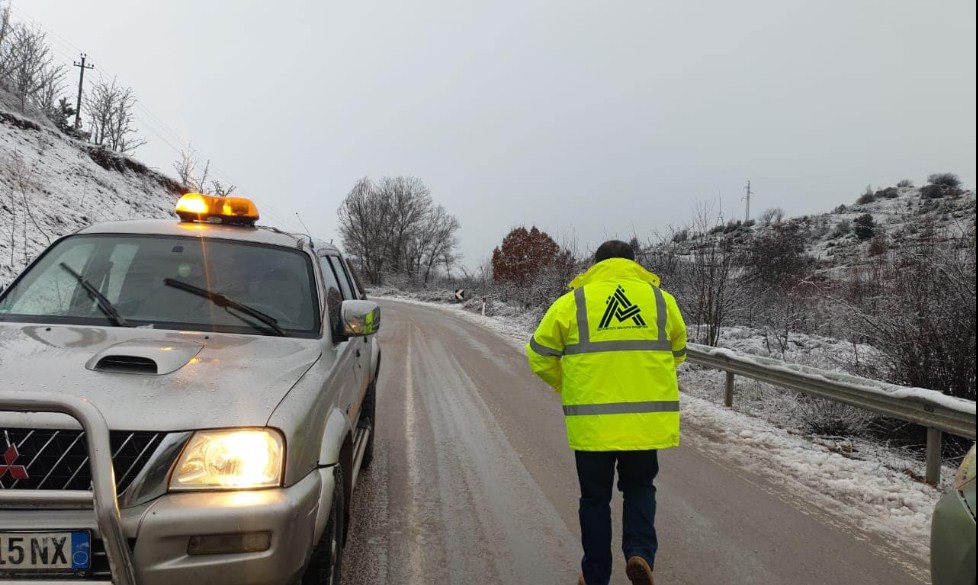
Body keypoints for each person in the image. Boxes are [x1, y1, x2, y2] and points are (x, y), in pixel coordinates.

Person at [526, 240, 687, 585]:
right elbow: (678, 352)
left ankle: (595, 575)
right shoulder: (661, 300)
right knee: (640, 488)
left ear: (595, 264)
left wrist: (565, 384)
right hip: (645, 422)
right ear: (634, 263)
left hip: (593, 424)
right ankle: (640, 553)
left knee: (595, 500)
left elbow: (539, 354)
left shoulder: (574, 301)